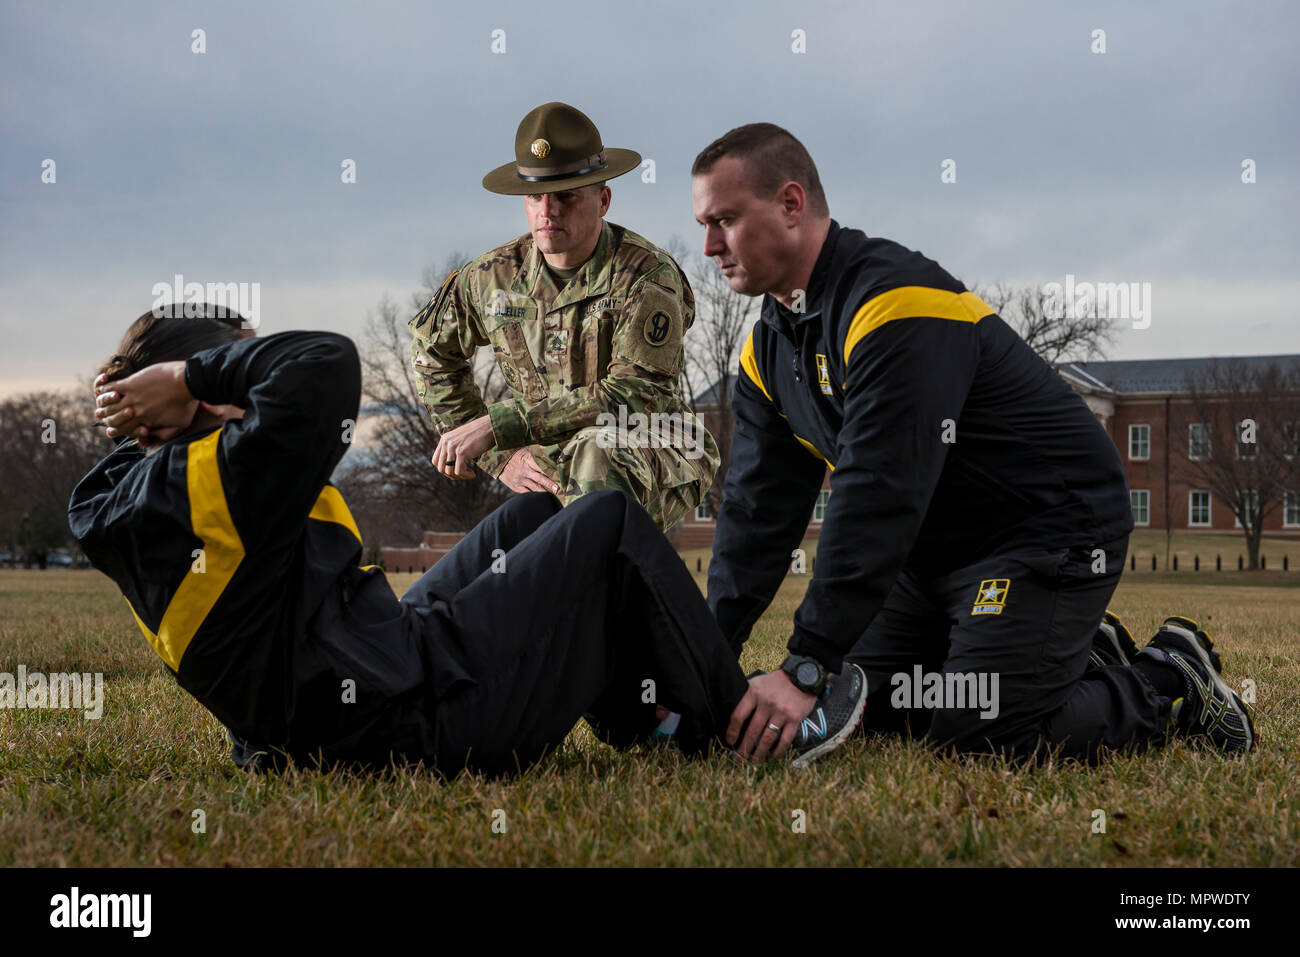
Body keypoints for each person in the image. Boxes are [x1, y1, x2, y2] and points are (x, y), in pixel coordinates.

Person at [70, 309, 866, 775]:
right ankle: (747, 725)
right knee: (608, 519)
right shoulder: (225, 474)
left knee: (538, 512)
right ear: (206, 404)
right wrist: (194, 377)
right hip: (408, 724)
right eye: (234, 370)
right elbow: (324, 363)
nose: (248, 374)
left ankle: (651, 721)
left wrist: (157, 397)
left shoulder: (147, 487)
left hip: (359, 678)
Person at [692, 123, 1255, 764]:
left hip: (1041, 529)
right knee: (873, 710)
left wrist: (808, 666)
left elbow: (878, 490)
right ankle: (1080, 654)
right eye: (704, 224)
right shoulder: (770, 345)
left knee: (981, 736)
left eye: (725, 220)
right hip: (929, 554)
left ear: (791, 205)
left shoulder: (894, 303)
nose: (709, 245)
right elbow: (756, 512)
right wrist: (705, 658)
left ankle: (1170, 677)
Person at [410, 101, 719, 532]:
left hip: (655, 446)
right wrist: (501, 457)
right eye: (535, 196)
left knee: (595, 456)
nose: (547, 211)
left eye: (565, 197)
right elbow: (431, 352)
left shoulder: (647, 277)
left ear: (603, 199)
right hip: (549, 465)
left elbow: (629, 396)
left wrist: (499, 426)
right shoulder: (491, 278)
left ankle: (599, 588)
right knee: (514, 560)